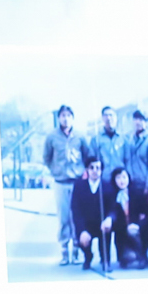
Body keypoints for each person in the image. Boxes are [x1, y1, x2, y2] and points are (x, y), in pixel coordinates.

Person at [42, 105, 84, 266]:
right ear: (59, 118)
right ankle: (65, 252)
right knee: (63, 217)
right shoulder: (52, 137)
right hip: (60, 182)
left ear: (72, 118)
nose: (65, 119)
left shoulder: (79, 136)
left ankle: (77, 251)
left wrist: (83, 173)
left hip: (76, 182)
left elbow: (87, 155)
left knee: (76, 217)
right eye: (63, 116)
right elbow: (46, 157)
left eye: (68, 115)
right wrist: (55, 170)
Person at [70, 156, 111, 272]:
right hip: (86, 225)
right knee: (81, 237)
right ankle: (88, 257)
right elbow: (75, 209)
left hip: (101, 223)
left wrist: (109, 219)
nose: (95, 170)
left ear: (101, 170)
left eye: (98, 168)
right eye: (91, 167)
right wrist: (82, 230)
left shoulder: (107, 186)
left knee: (107, 230)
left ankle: (105, 260)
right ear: (87, 170)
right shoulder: (79, 186)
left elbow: (112, 207)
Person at [106, 165, 146, 268]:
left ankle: (142, 256)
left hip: (136, 230)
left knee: (133, 231)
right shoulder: (112, 196)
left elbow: (146, 214)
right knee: (126, 258)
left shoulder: (137, 193)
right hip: (122, 233)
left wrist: (138, 225)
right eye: (118, 178)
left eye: (124, 177)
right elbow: (112, 213)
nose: (122, 181)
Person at [122, 109, 148, 192]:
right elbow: (127, 161)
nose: (137, 122)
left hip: (145, 185)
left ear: (146, 123)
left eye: (141, 119)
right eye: (135, 119)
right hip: (131, 184)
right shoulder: (129, 140)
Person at [87, 105, 127, 179]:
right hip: (104, 179)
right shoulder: (96, 139)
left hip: (120, 179)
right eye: (106, 116)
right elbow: (91, 161)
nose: (108, 118)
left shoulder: (124, 139)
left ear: (116, 117)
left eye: (111, 115)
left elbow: (128, 160)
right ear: (102, 118)